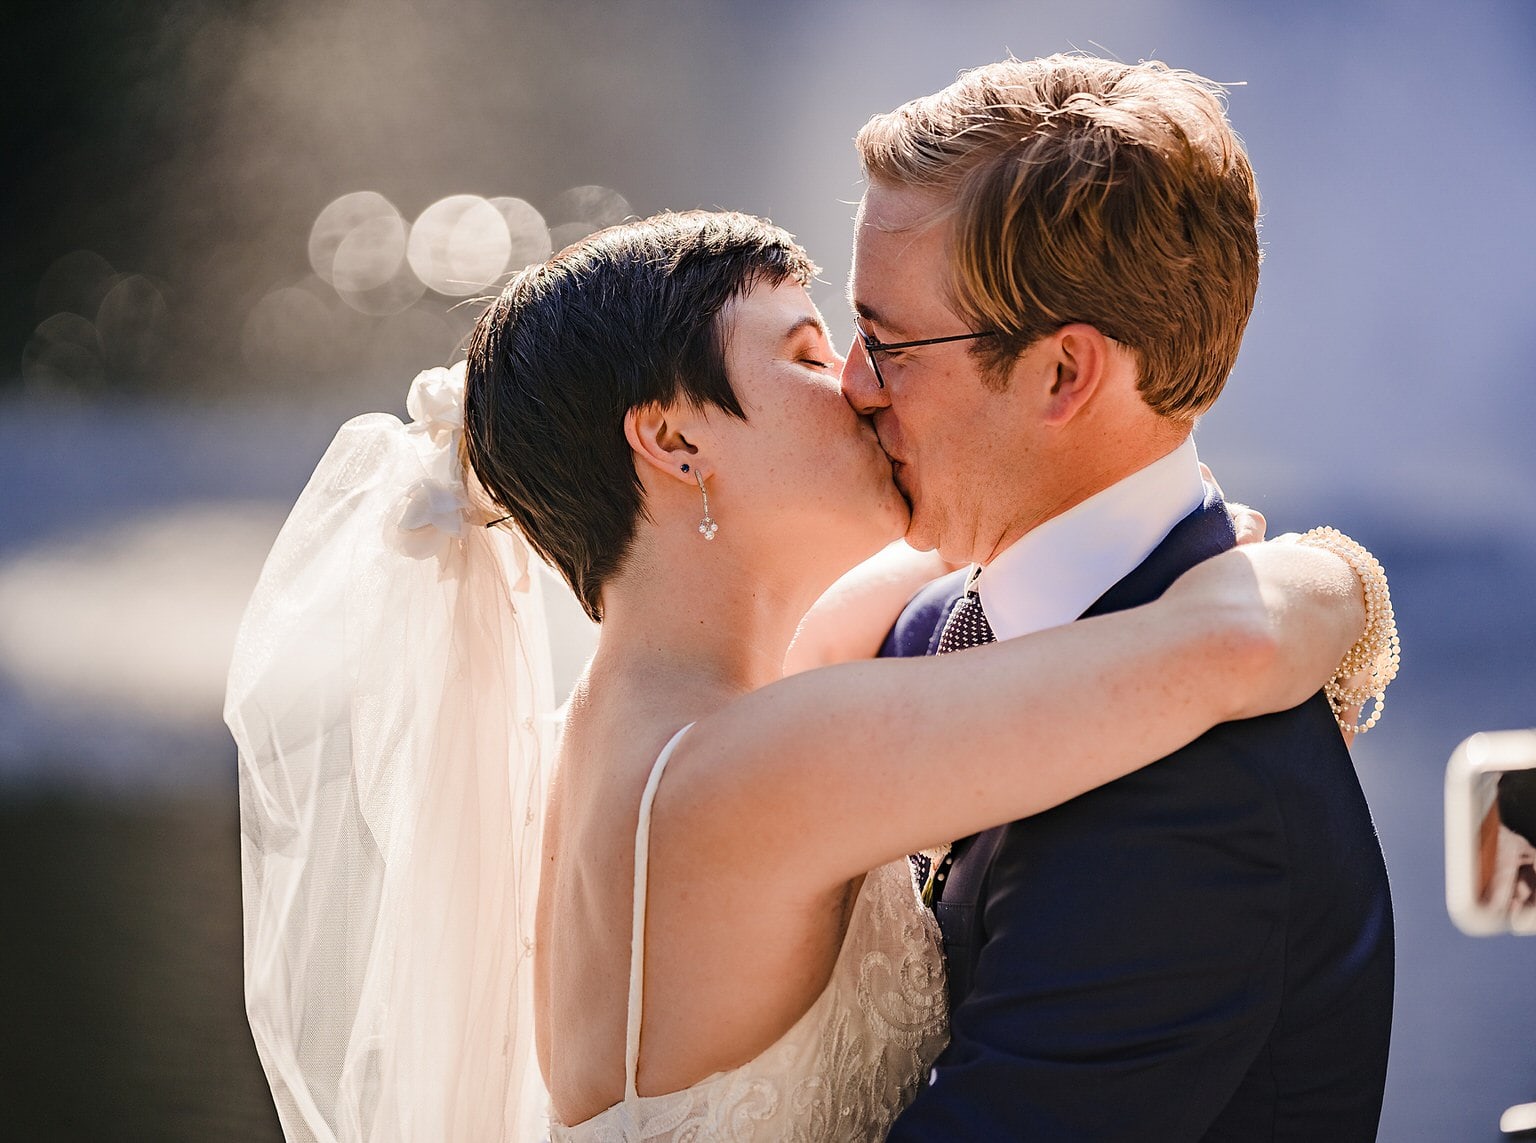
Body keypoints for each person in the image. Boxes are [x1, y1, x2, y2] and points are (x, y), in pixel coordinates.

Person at [228, 210, 1387, 1142]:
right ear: (674, 442)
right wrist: (1339, 574)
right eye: (803, 355)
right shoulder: (751, 768)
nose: (860, 385)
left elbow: (897, 593)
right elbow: (1236, 647)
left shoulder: (645, 717)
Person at [843, 55, 1397, 1139]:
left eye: (887, 342)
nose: (854, 386)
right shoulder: (924, 625)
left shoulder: (1198, 802)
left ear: (1064, 374)